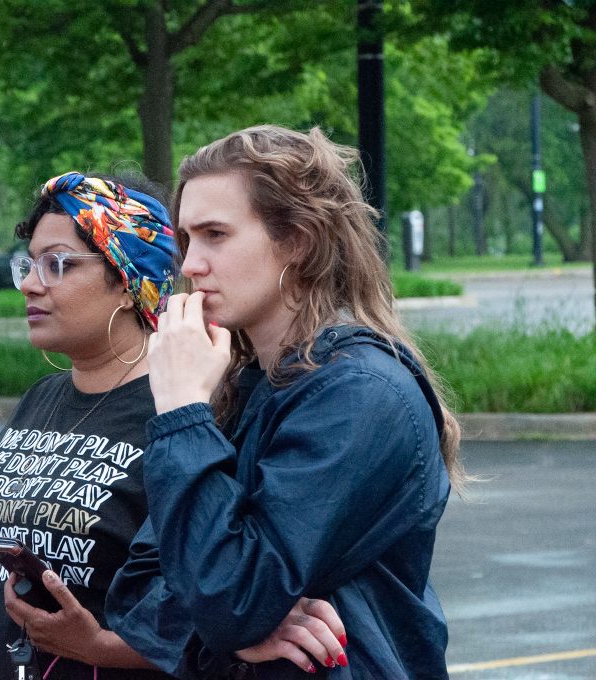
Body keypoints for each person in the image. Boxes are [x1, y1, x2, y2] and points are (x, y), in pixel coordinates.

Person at [108, 125, 466, 679]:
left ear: (297, 240)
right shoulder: (239, 380)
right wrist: (238, 632)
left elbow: (229, 596)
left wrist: (181, 411)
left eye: (215, 235)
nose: (190, 265)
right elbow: (137, 591)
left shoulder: (362, 393)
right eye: (186, 240)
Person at [0, 171, 346, 680]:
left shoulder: (183, 406)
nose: (31, 283)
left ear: (126, 279)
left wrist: (100, 646)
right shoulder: (42, 398)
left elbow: (211, 600)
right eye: (28, 264)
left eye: (57, 264)